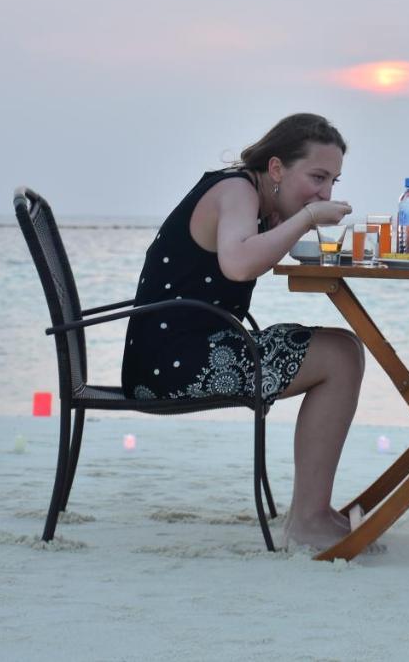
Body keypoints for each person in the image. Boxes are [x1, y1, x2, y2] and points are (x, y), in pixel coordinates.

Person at [122, 113, 364, 551]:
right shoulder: (236, 190)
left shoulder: (256, 198)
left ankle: (314, 510)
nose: (326, 192)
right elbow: (237, 262)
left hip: (194, 346)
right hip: (174, 363)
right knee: (340, 357)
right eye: (317, 177)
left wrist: (297, 217)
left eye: (333, 181)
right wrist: (308, 216)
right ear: (276, 168)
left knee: (345, 345)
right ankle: (308, 519)